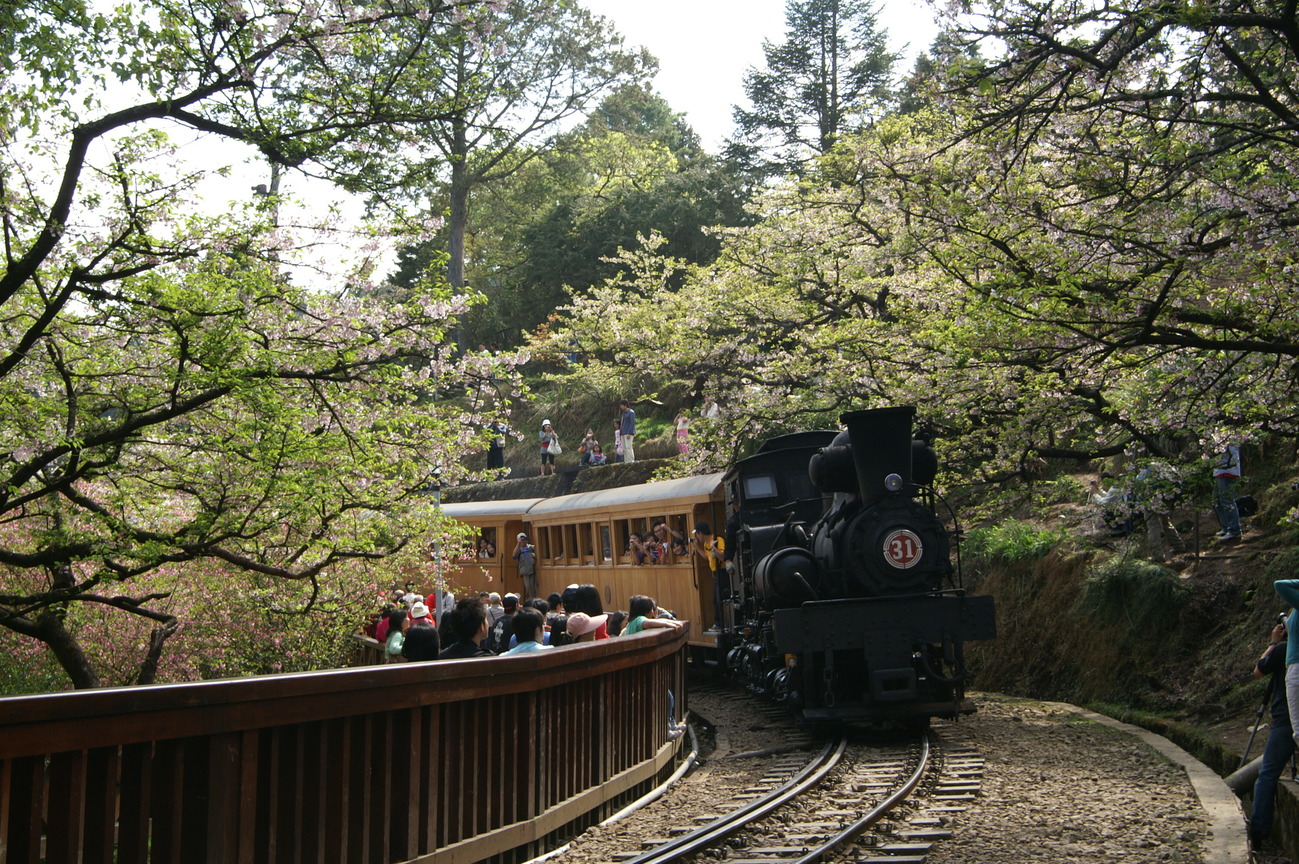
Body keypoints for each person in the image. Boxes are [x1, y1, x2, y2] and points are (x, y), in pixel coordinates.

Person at [1249, 614, 1294, 848]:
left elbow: (1258, 670)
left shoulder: (1285, 649)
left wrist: (1273, 642)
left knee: (1267, 774)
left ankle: (1258, 831)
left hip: (1285, 720)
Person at [690, 521, 726, 634]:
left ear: (700, 533)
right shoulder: (706, 544)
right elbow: (708, 557)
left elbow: (723, 556)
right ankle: (719, 623)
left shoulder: (717, 540)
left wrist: (713, 548)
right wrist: (697, 548)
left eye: (697, 534)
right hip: (715, 574)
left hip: (723, 572)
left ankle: (721, 624)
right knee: (715, 600)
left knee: (720, 599)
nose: (697, 537)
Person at [1213, 441, 1243, 541]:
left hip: (1228, 471)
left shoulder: (1229, 437)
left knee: (1227, 500)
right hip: (1219, 471)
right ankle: (1226, 527)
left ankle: (1234, 529)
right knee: (1217, 500)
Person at [513, 533, 538, 600]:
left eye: (524, 539)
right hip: (526, 571)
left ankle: (534, 599)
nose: (523, 541)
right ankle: (531, 599)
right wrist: (518, 543)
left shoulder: (531, 548)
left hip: (534, 569)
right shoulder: (519, 549)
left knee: (534, 586)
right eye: (522, 540)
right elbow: (514, 556)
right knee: (528, 587)